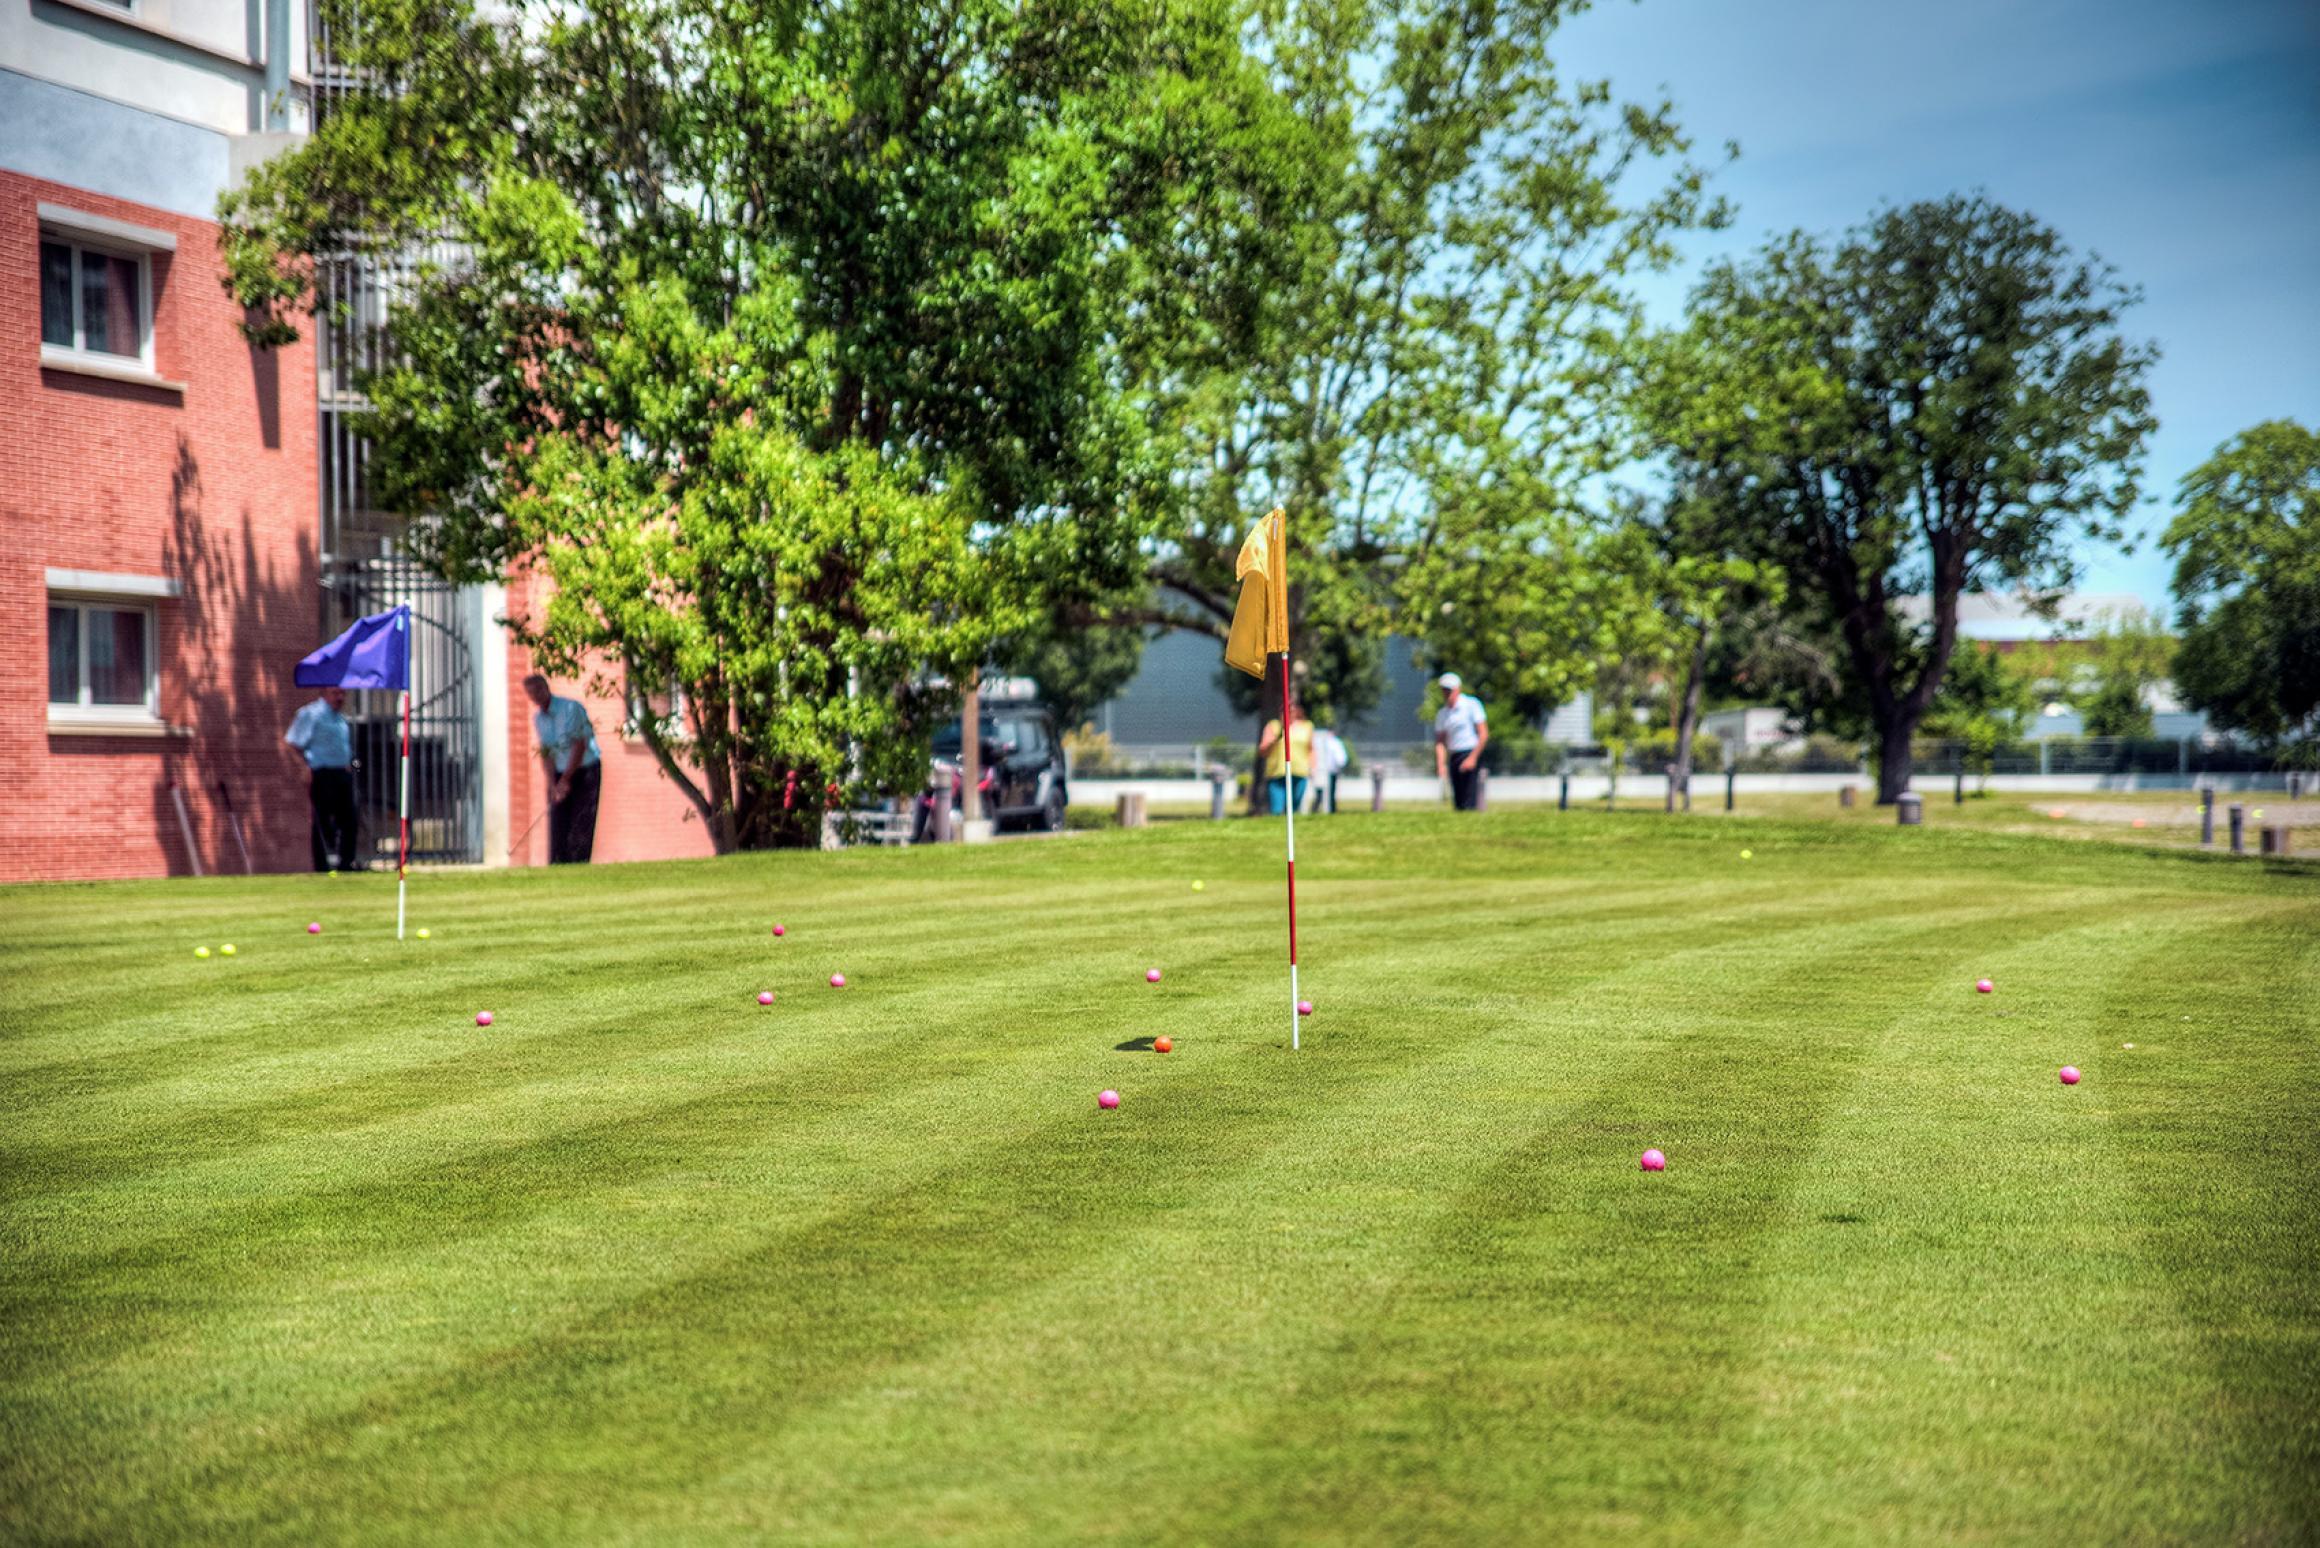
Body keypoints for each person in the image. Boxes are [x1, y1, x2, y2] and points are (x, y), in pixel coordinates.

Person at [524, 673, 601, 863]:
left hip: (585, 769)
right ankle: (558, 862)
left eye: (538, 691)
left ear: (546, 688)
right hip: (559, 772)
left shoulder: (570, 708)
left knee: (581, 820)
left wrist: (566, 780)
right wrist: (552, 784)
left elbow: (580, 745)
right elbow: (547, 752)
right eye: (531, 694)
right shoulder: (539, 719)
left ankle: (579, 862)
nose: (536, 697)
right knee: (558, 820)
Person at [284, 685, 359, 871]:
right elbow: (292, 743)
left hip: (341, 773)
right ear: (324, 693)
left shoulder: (340, 718)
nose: (340, 697)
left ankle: (346, 863)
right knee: (322, 819)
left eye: (342, 693)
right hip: (321, 773)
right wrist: (304, 767)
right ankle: (322, 864)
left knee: (350, 818)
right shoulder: (311, 714)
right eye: (335, 693)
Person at [1433, 671, 1489, 811]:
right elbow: (1440, 742)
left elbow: (1483, 734)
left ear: (1458, 689)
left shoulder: (1471, 705)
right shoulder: (1443, 714)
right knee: (1458, 802)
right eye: (1444, 690)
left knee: (1470, 801)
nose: (1446, 693)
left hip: (1470, 752)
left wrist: (1472, 758)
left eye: (1449, 690)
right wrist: (1441, 764)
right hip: (1454, 755)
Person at [1257, 688, 1315, 816]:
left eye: (1291, 710)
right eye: (1285, 710)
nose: (1288, 713)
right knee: (1277, 809)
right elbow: (1263, 750)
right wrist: (1275, 738)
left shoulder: (1307, 726)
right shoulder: (1273, 726)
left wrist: (1313, 767)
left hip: (1300, 771)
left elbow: (1311, 749)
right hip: (1277, 772)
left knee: (1294, 806)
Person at [1309, 721, 1351, 814]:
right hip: (1328, 771)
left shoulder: (1320, 741)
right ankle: (1328, 809)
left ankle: (1323, 809)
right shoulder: (1334, 742)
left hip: (1324, 771)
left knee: (1323, 793)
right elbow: (1341, 759)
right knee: (1328, 793)